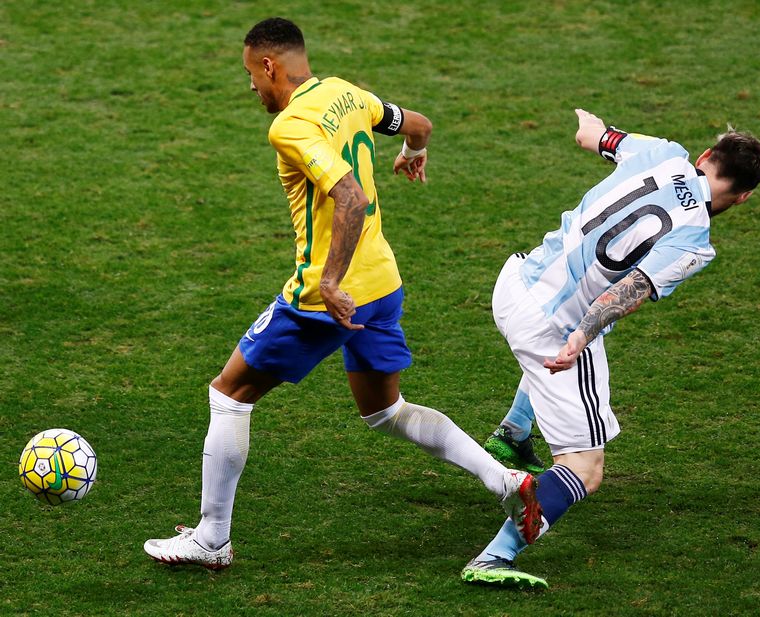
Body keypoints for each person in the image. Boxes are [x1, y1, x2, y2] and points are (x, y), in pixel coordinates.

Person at [143, 17, 539, 570]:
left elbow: (350, 198)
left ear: (268, 65)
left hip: (324, 299)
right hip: (382, 284)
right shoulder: (347, 93)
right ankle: (507, 481)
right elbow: (419, 125)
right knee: (387, 410)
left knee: (229, 393)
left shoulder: (290, 126)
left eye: (250, 74)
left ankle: (211, 539)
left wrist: (328, 282)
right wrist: (414, 151)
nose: (251, 86)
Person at [462, 109, 760, 589]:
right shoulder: (694, 240)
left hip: (515, 281)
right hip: (549, 329)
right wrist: (580, 337)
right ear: (744, 196)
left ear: (706, 156)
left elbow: (592, 134)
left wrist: (590, 121)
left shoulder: (662, 152)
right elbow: (627, 292)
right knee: (585, 469)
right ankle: (493, 558)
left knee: (577, 335)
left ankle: (515, 431)